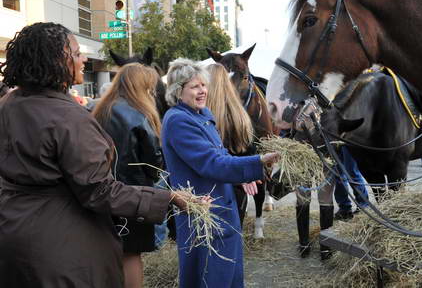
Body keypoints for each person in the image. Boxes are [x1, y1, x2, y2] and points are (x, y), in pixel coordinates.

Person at [0, 22, 196, 288]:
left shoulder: (8, 104)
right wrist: (167, 197)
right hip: (62, 252)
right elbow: (99, 191)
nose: (83, 60)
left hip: (13, 237)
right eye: (78, 53)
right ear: (59, 59)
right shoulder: (69, 118)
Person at [161, 58, 279, 288]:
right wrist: (257, 162)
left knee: (228, 276)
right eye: (194, 86)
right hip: (204, 215)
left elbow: (222, 155)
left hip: (221, 213)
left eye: (203, 85)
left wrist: (243, 176)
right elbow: (212, 163)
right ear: (178, 91)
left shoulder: (200, 115)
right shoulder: (178, 121)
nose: (203, 90)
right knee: (211, 277)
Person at [92, 62, 165, 288]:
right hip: (134, 194)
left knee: (108, 255)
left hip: (102, 191)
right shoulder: (138, 115)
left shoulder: (100, 110)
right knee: (131, 255)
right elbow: (154, 164)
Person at [205, 63, 259, 227]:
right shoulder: (241, 115)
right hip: (237, 187)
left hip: (208, 189)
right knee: (232, 237)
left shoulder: (201, 117)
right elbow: (250, 149)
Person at [333, 146, 369, 220]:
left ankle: (363, 207)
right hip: (335, 140)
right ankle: (344, 208)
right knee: (338, 174)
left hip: (348, 140)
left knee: (352, 173)